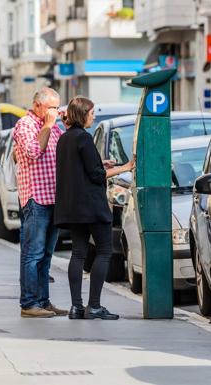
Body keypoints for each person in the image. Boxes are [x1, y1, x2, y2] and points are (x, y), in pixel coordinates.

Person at [54, 96, 133, 320]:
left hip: (73, 208)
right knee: (104, 251)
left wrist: (102, 163)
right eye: (91, 112)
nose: (94, 116)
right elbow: (96, 176)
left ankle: (76, 307)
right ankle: (95, 306)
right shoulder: (84, 138)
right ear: (83, 114)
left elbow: (80, 168)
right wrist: (124, 167)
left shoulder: (65, 139)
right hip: (92, 206)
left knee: (78, 254)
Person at [13, 87, 68, 318]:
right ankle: (29, 304)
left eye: (57, 107)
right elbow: (35, 151)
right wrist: (47, 125)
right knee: (32, 254)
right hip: (35, 199)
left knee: (46, 256)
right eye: (51, 108)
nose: (54, 112)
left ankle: (43, 301)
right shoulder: (25, 125)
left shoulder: (55, 128)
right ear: (37, 106)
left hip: (54, 198)